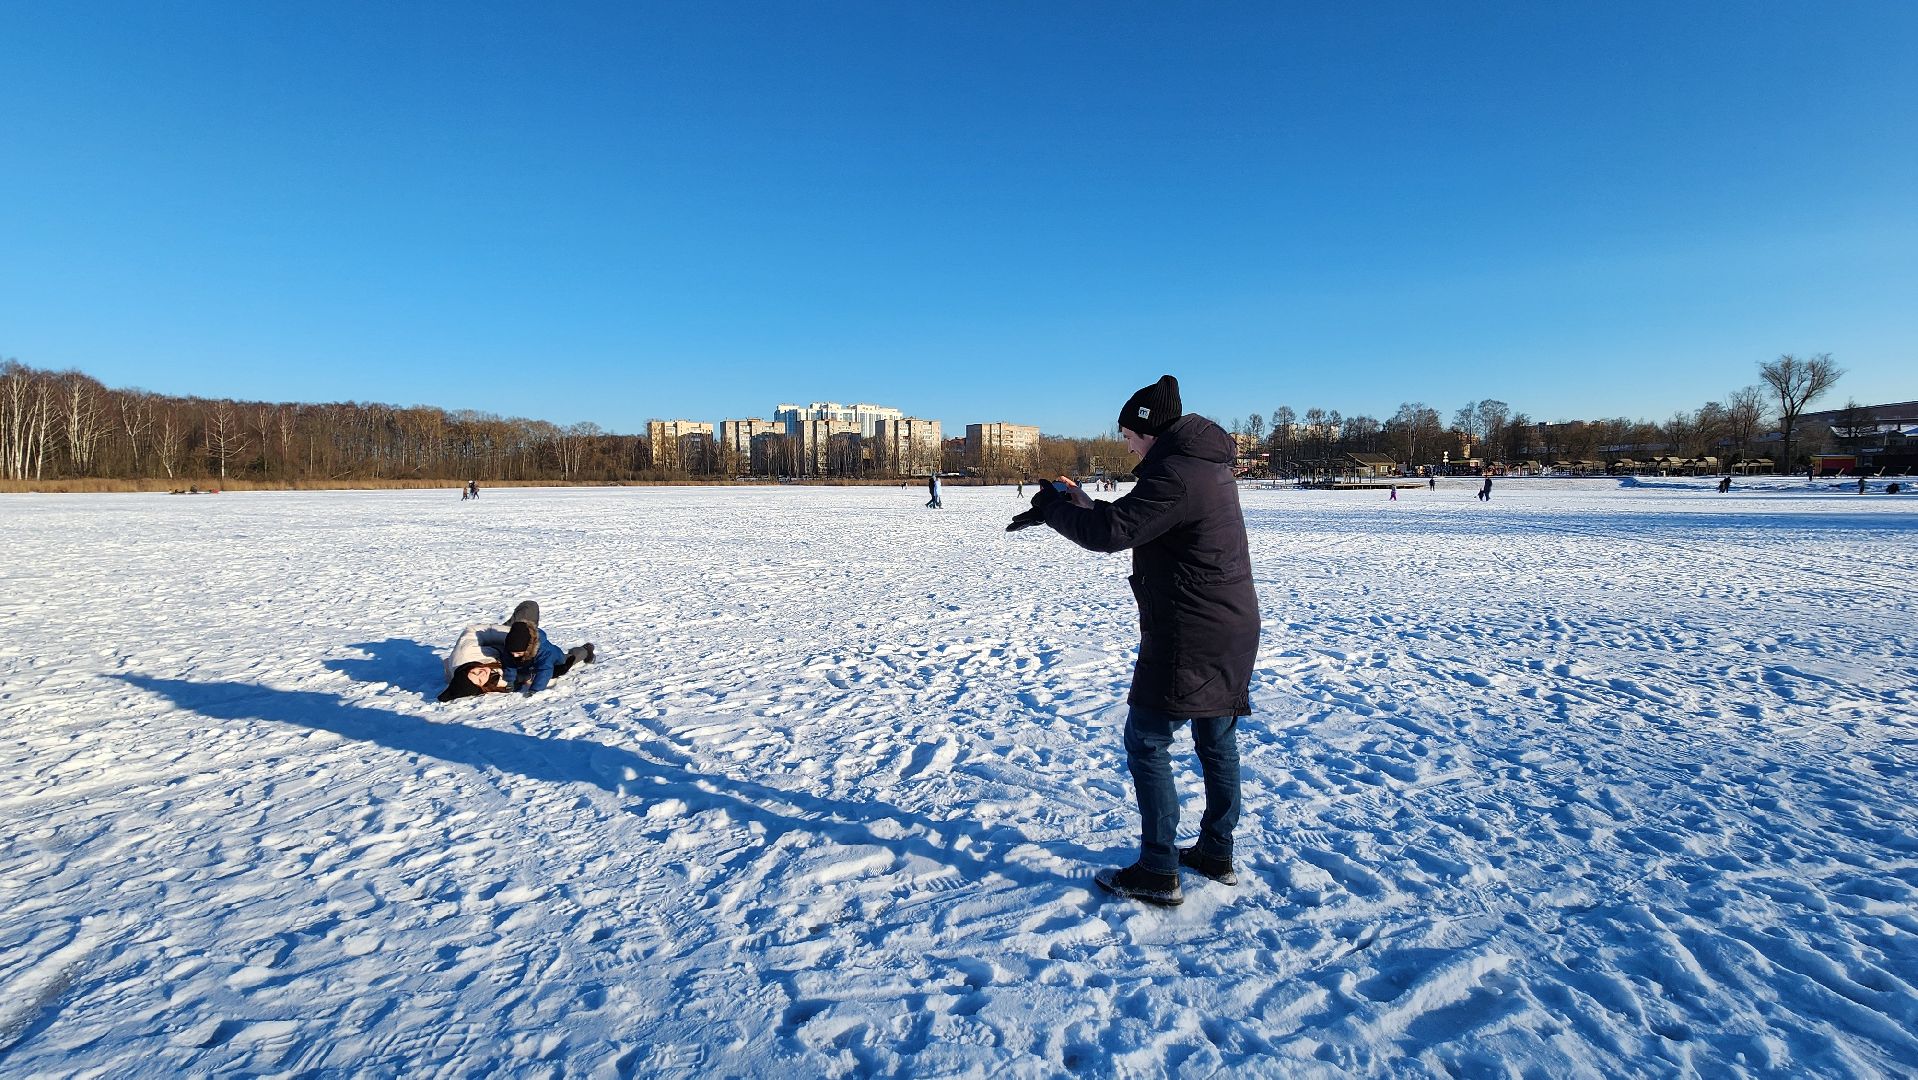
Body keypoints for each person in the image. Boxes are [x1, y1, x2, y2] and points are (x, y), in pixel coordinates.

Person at [1009, 375, 1259, 907]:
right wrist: (1080, 502)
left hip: (1190, 631)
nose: (1123, 443)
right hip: (1226, 624)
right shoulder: (1199, 463)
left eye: (1126, 432)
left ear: (1146, 430)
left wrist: (1055, 509)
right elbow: (1134, 520)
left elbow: (1112, 535)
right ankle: (1216, 852)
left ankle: (1158, 868)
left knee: (1148, 740)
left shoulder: (1176, 472)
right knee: (1216, 739)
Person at [499, 617, 596, 694]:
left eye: (518, 653)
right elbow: (509, 663)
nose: (515, 656)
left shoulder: (544, 651)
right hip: (532, 665)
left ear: (528, 647)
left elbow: (545, 671)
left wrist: (535, 690)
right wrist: (510, 680)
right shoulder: (510, 648)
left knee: (570, 659)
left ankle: (586, 649)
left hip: (555, 661)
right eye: (513, 653)